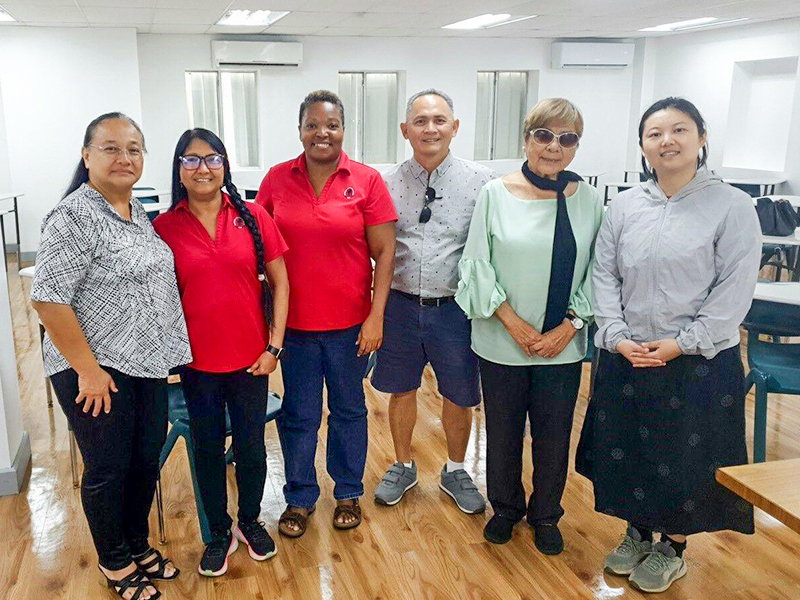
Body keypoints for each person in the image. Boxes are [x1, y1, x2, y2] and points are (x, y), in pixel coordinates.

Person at [576, 97, 761, 593]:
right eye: (655, 133)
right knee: (628, 448)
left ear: (701, 138)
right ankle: (636, 532)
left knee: (683, 455)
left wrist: (683, 343)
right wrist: (614, 335)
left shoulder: (732, 206)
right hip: (627, 354)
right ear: (642, 146)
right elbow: (604, 275)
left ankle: (673, 545)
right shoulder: (627, 205)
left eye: (680, 130)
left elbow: (733, 290)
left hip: (696, 361)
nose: (667, 141)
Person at [31, 113, 192, 600]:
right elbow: (48, 298)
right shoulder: (74, 215)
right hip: (94, 370)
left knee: (145, 460)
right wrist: (88, 370)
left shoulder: (134, 211)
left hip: (143, 362)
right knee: (108, 467)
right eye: (111, 148)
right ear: (86, 156)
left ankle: (137, 544)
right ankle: (115, 561)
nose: (125, 158)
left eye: (135, 149)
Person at [456, 98, 603, 555]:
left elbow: (600, 271)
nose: (553, 147)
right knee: (502, 432)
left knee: (553, 435)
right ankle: (505, 508)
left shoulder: (590, 200)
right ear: (526, 138)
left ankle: (545, 514)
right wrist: (514, 324)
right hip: (503, 340)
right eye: (544, 135)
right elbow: (477, 264)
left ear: (576, 146)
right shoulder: (495, 193)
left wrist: (570, 326)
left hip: (563, 342)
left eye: (567, 138)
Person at [255, 90, 397, 537]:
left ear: (343, 130)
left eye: (331, 125)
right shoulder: (277, 180)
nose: (322, 133)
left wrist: (375, 318)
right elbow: (258, 249)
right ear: (300, 130)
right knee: (299, 413)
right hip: (293, 328)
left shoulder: (367, 180)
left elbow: (386, 252)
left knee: (349, 411)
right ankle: (299, 497)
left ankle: (348, 491)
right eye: (313, 125)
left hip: (350, 328)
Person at [153, 129, 289, 577]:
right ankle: (218, 532)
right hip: (196, 367)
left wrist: (275, 347)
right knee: (208, 451)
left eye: (212, 159)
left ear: (225, 165)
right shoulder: (164, 227)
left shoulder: (251, 216)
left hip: (252, 361)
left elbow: (281, 282)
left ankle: (250, 521)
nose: (203, 168)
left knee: (251, 449)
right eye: (191, 160)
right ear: (179, 169)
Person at [371, 89, 493, 513]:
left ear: (454, 128)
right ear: (405, 130)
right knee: (400, 390)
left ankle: (456, 469)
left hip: (456, 310)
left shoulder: (483, 184)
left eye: (439, 120)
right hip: (401, 305)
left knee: (459, 394)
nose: (430, 128)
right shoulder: (384, 183)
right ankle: (403, 465)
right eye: (420, 121)